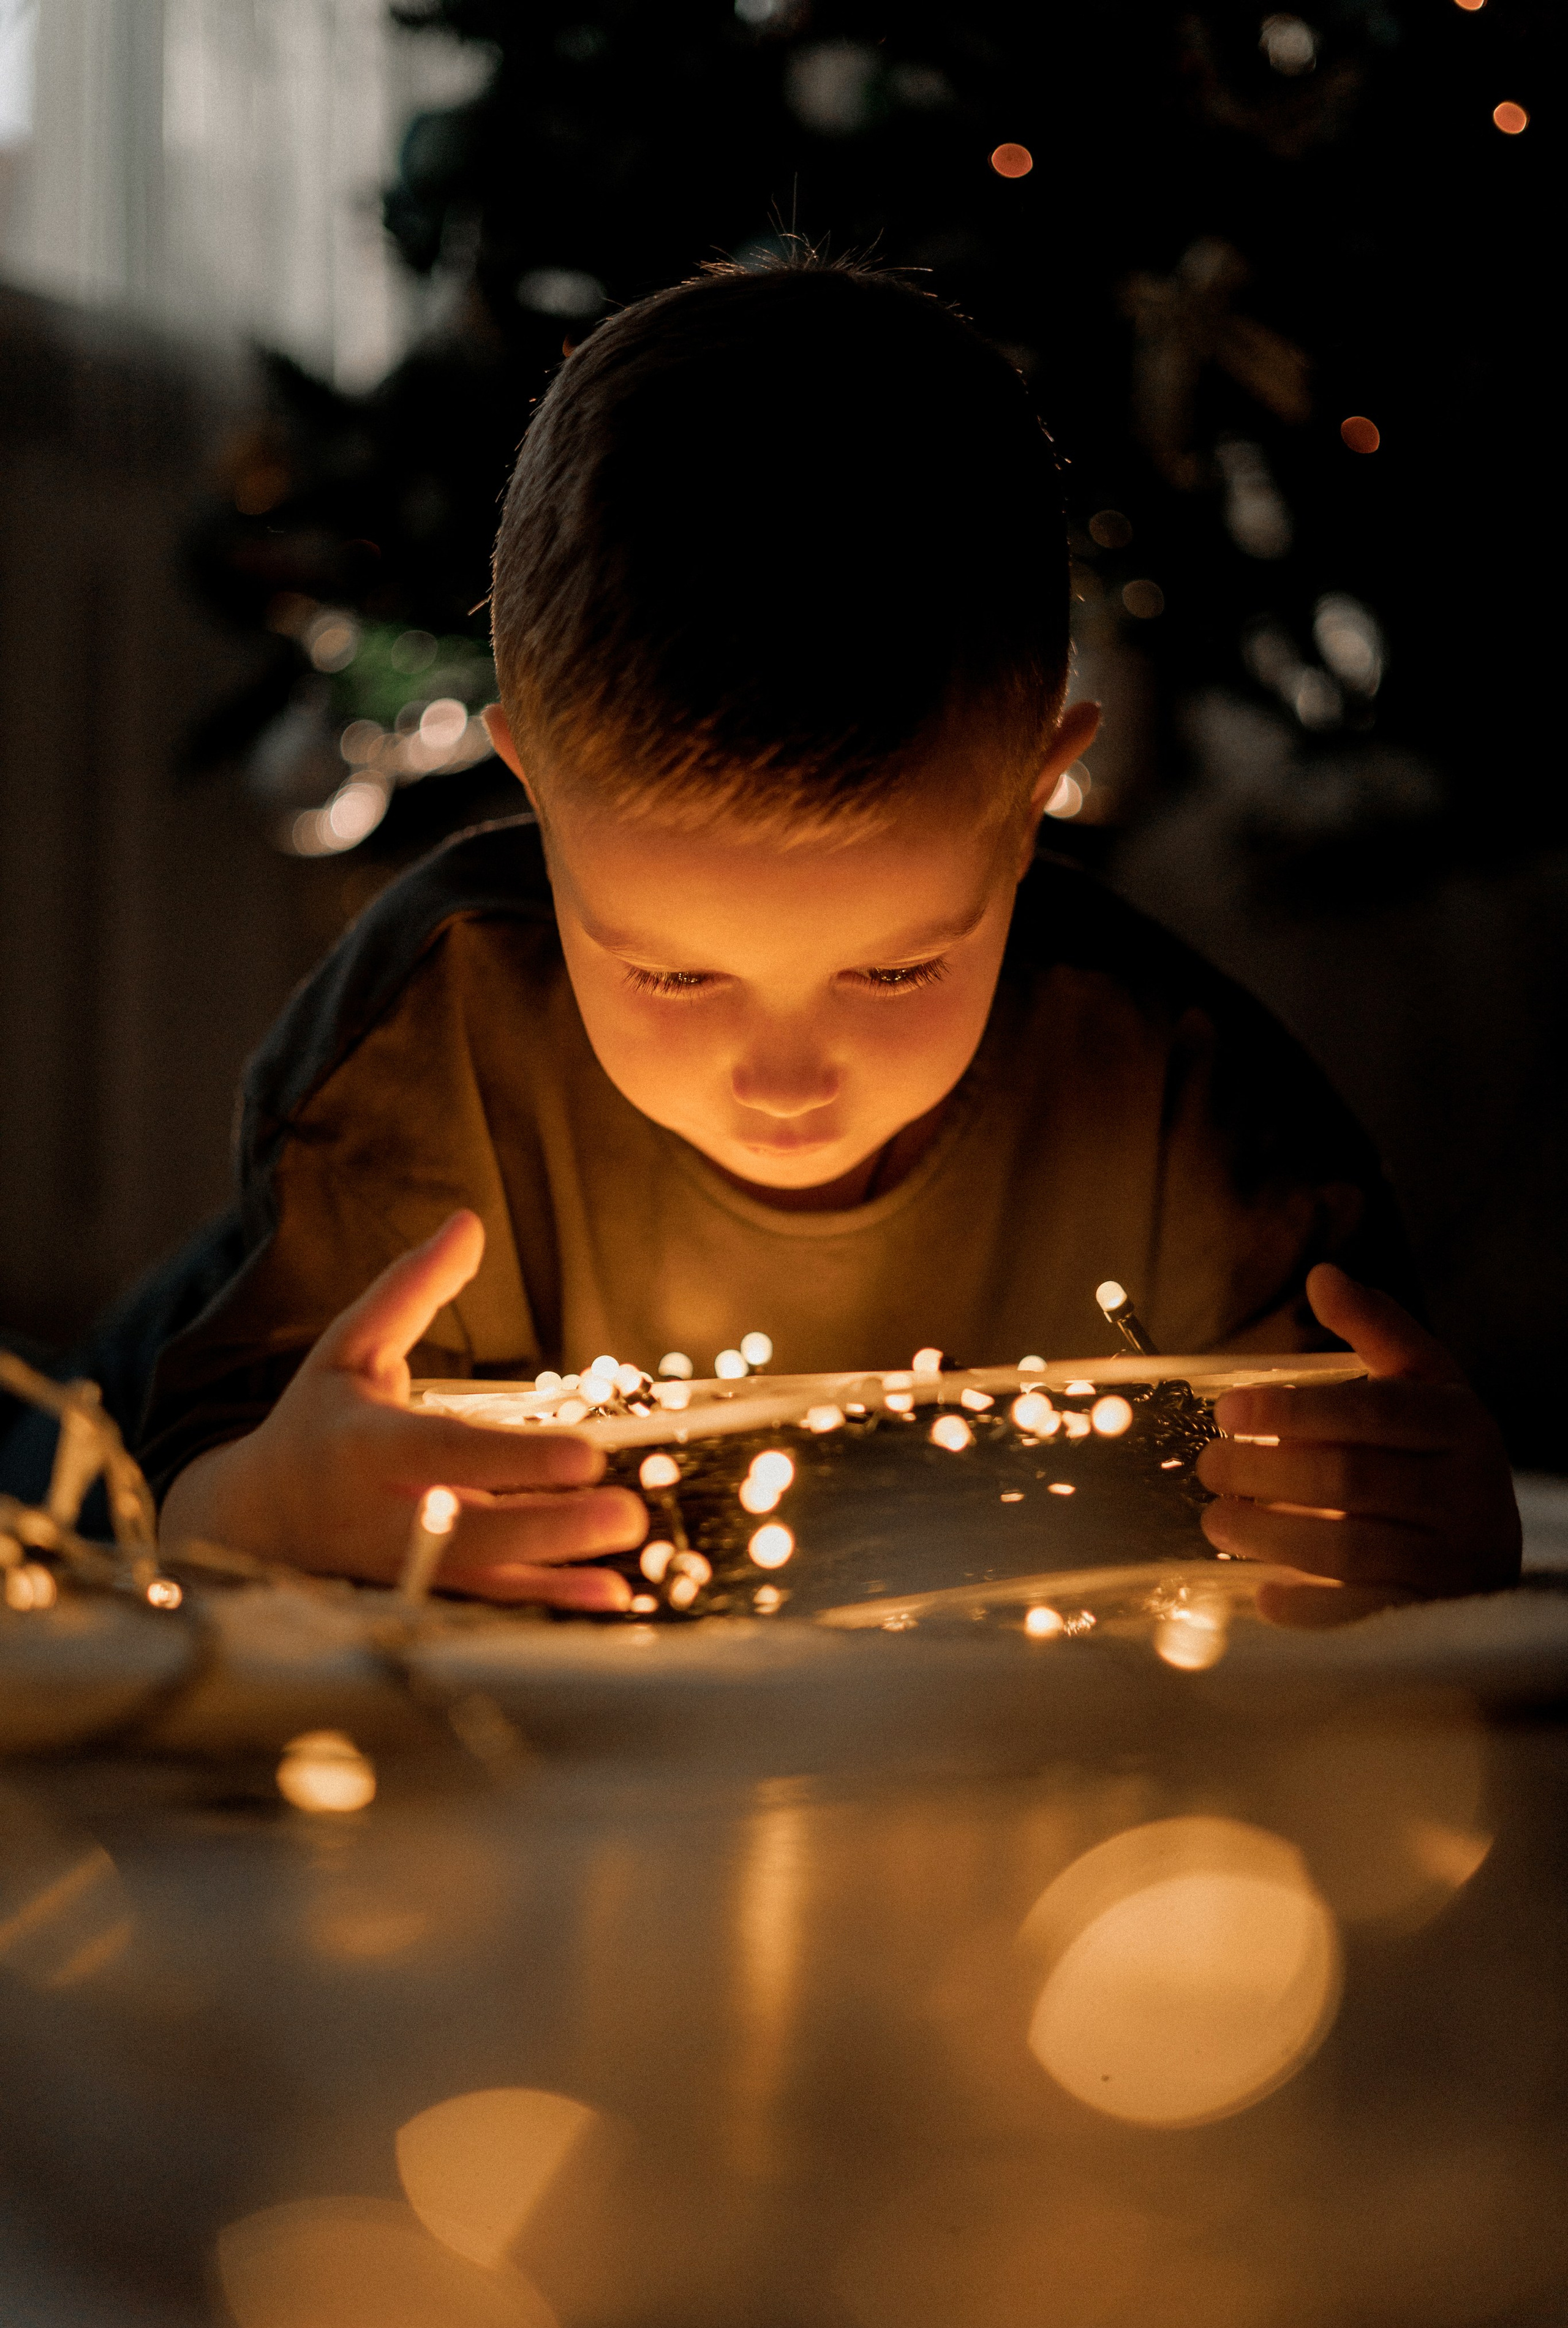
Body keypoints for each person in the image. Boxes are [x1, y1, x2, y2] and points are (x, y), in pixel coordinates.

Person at [148, 260, 1519, 1623]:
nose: (784, 1077)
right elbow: (174, 1495)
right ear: (532, 790)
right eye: (674, 973)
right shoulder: (424, 1048)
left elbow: (1364, 1512)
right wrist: (267, 1503)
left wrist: (1436, 1521)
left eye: (895, 969)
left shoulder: (1183, 1103)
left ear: (1036, 800)